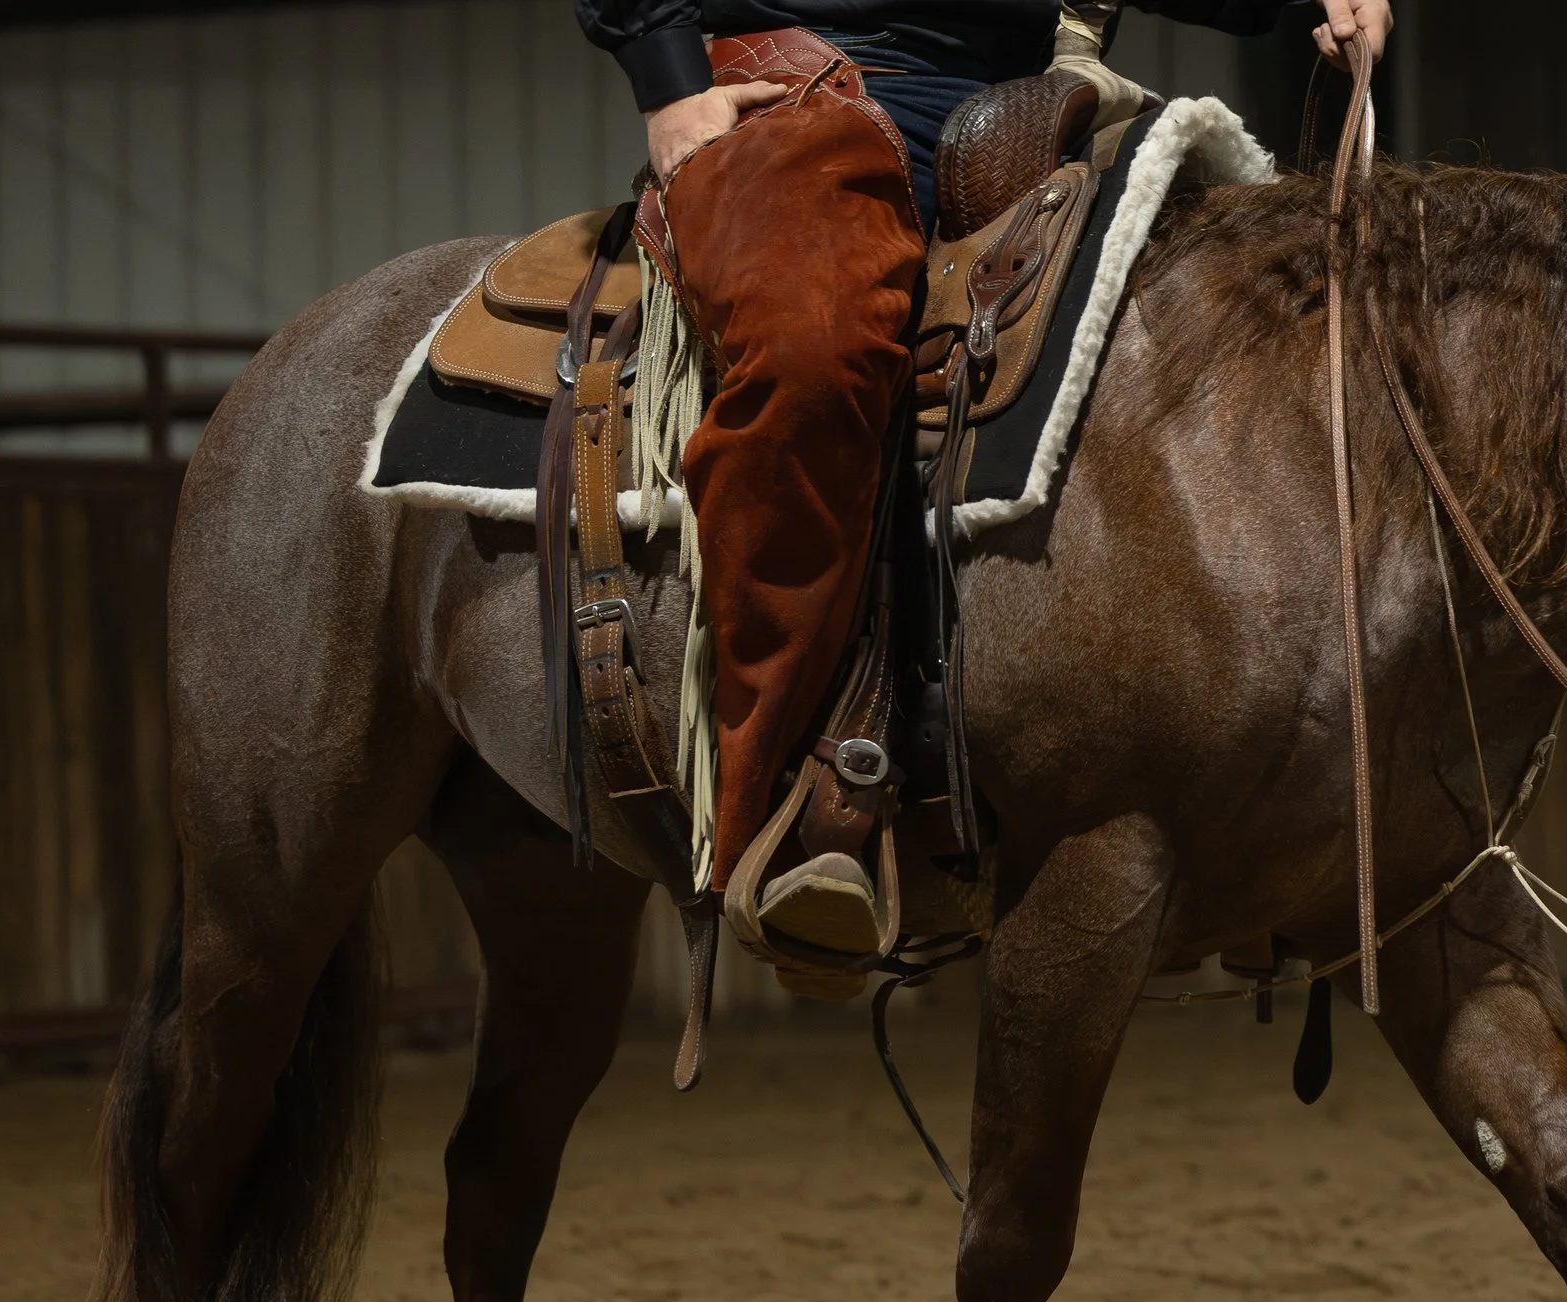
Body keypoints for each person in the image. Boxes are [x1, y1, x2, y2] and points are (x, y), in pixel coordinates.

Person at [573, 0, 1395, 961]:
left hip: (1026, 111)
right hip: (802, 78)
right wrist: (669, 80)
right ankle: (781, 806)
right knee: (813, 350)